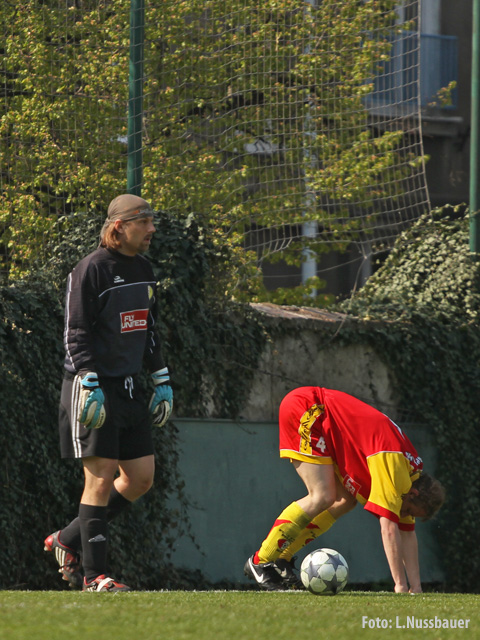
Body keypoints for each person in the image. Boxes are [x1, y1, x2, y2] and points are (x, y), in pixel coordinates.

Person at [44, 194, 173, 592]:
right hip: (93, 388)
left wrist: (161, 378)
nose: (152, 229)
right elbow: (75, 333)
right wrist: (89, 379)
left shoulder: (144, 269)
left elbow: (149, 328)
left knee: (140, 478)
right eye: (144, 222)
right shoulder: (90, 270)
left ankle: (66, 538)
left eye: (151, 221)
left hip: (131, 388)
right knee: (100, 479)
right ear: (120, 227)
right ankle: (94, 576)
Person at [244, 386, 445, 593]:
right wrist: (401, 585)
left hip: (324, 422)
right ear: (414, 494)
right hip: (309, 408)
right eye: (409, 511)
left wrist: (416, 587)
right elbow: (389, 529)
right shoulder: (394, 466)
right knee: (321, 496)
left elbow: (407, 534)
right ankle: (261, 561)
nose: (405, 515)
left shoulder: (411, 475)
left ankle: (282, 559)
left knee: (344, 501)